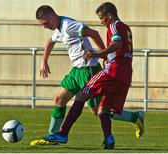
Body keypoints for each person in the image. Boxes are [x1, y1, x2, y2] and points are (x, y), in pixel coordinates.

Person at [30, 4, 144, 146]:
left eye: (46, 23)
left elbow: (94, 33)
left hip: (88, 69)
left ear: (52, 16)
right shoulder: (58, 29)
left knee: (98, 110)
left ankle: (134, 117)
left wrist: (103, 53)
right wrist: (43, 61)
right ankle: (55, 136)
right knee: (59, 99)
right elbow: (50, 41)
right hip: (76, 71)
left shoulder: (69, 25)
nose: (45, 27)